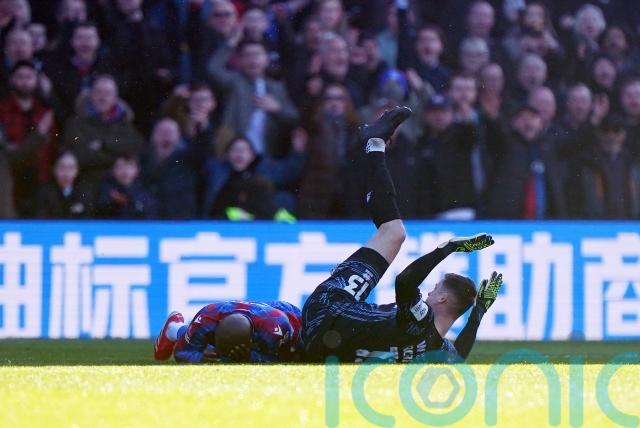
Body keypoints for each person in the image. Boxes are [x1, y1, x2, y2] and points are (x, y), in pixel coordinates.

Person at [301, 106, 503, 363]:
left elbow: (405, 281)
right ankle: (374, 143)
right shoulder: (435, 349)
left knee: (393, 233)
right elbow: (459, 355)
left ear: (442, 299)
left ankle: (375, 145)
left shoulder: (422, 319)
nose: (429, 293)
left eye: (435, 289)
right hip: (323, 349)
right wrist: (478, 311)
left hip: (327, 311)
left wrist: (447, 248)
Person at [153, 300, 303, 363]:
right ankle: (174, 327)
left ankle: (174, 328)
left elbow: (278, 360)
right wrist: (201, 358)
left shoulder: (275, 330)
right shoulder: (206, 318)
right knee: (197, 339)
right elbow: (181, 352)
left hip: (291, 318)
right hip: (258, 314)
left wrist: (249, 357)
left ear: (251, 341)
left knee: (298, 357)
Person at [94, 154, 156, 219]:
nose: (125, 172)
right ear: (112, 170)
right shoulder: (105, 191)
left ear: (137, 170)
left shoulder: (146, 193)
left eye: (129, 167)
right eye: (120, 167)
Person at [36, 151, 92, 218]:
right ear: (54, 169)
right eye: (62, 167)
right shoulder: (44, 192)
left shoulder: (84, 192)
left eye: (71, 168)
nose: (66, 173)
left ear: (77, 170)